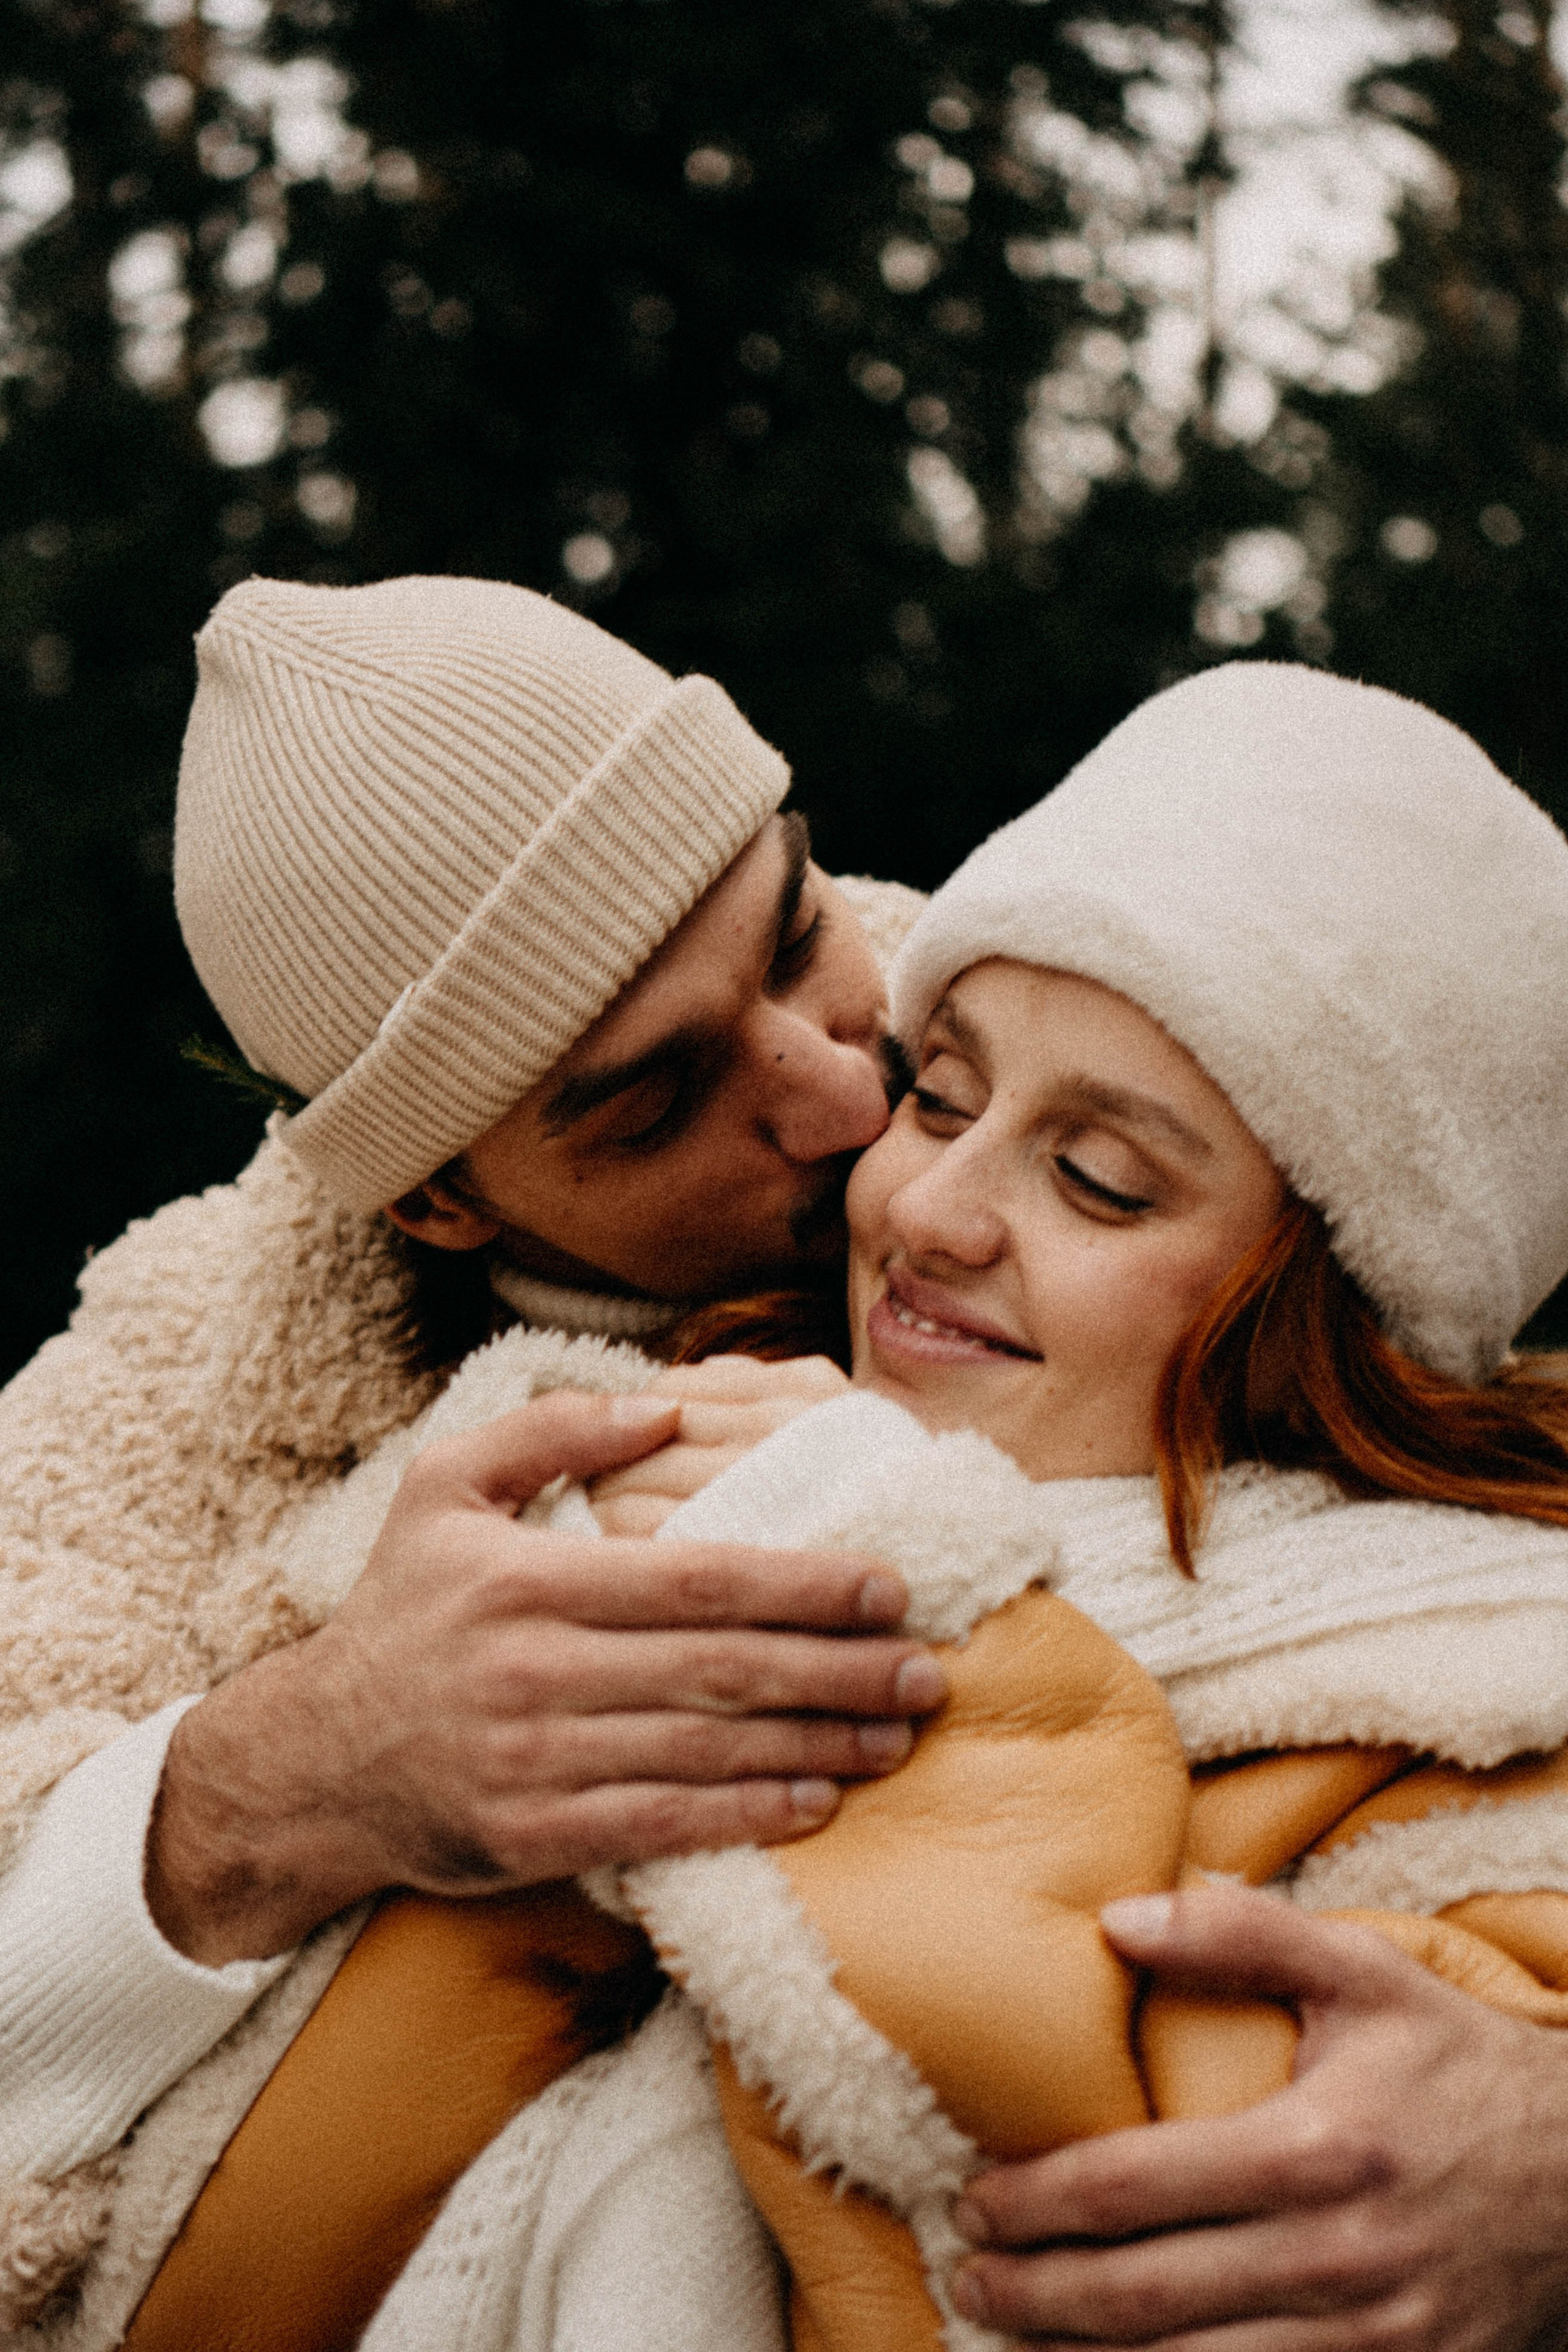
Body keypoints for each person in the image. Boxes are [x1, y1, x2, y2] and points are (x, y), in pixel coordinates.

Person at [0, 587, 1557, 2346]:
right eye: (659, 1097)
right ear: (438, 1195)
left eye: (795, 930)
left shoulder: (1093, 975)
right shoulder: (165, 1424)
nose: (848, 1107)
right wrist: (283, 1780)